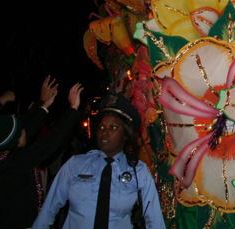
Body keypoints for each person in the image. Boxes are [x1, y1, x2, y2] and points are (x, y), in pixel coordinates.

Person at [33, 93, 166, 229]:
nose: (104, 132)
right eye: (101, 127)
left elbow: (154, 221)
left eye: (113, 127)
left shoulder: (138, 171)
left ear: (126, 134)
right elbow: (47, 211)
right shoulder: (75, 165)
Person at [0, 78, 82, 229]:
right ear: (17, 139)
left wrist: (43, 105)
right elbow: (50, 142)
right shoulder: (17, 161)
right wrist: (73, 108)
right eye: (22, 131)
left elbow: (26, 127)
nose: (27, 131)